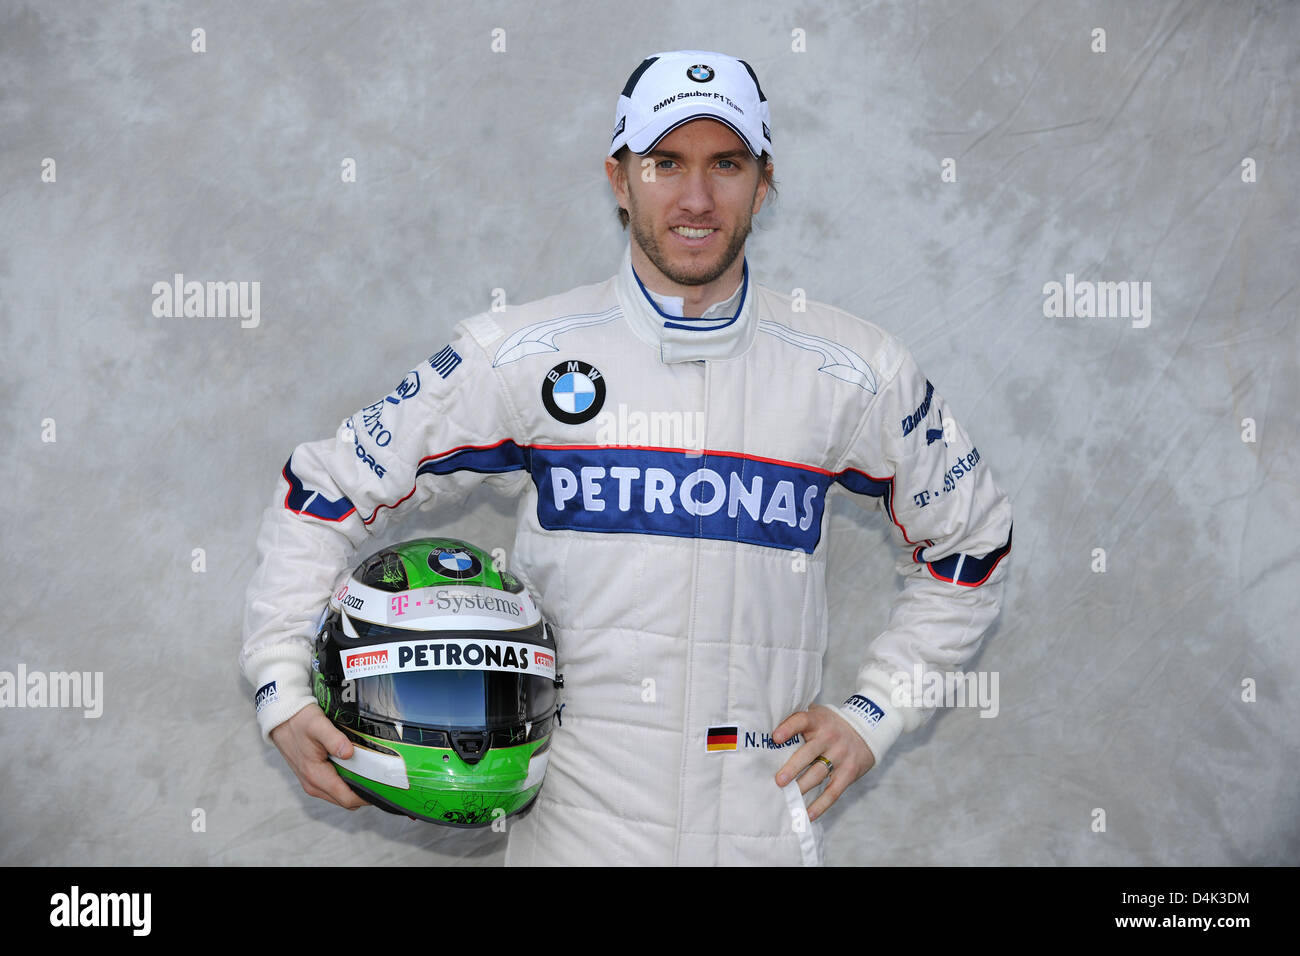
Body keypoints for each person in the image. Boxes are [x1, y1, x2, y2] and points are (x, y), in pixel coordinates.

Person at [241, 49, 1013, 866]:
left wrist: (878, 711)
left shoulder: (852, 370)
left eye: (727, 164)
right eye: (664, 163)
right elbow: (324, 491)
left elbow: (973, 544)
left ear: (764, 184)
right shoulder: (522, 353)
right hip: (574, 840)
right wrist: (281, 685)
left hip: (757, 840)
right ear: (618, 179)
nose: (696, 198)